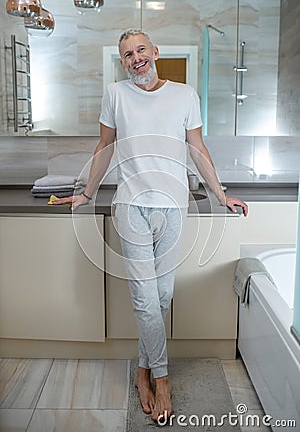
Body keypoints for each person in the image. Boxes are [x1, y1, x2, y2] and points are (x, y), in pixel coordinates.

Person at [53, 28, 248, 422]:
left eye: (141, 49)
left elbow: (198, 148)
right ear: (122, 61)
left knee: (161, 296)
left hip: (175, 207)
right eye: (127, 54)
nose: (135, 58)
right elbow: (103, 147)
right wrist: (88, 193)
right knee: (145, 298)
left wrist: (221, 193)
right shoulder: (115, 95)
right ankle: (162, 379)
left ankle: (141, 370)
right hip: (130, 207)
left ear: (155, 52)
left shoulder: (185, 95)